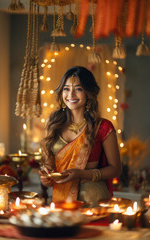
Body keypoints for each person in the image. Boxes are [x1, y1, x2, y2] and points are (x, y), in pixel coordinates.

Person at [39, 66, 121, 207]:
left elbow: (116, 169)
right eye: (66, 88)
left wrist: (83, 174)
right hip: (62, 201)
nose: (71, 94)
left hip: (92, 200)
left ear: (88, 93)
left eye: (78, 89)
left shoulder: (102, 127)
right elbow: (50, 166)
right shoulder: (53, 124)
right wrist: (46, 177)